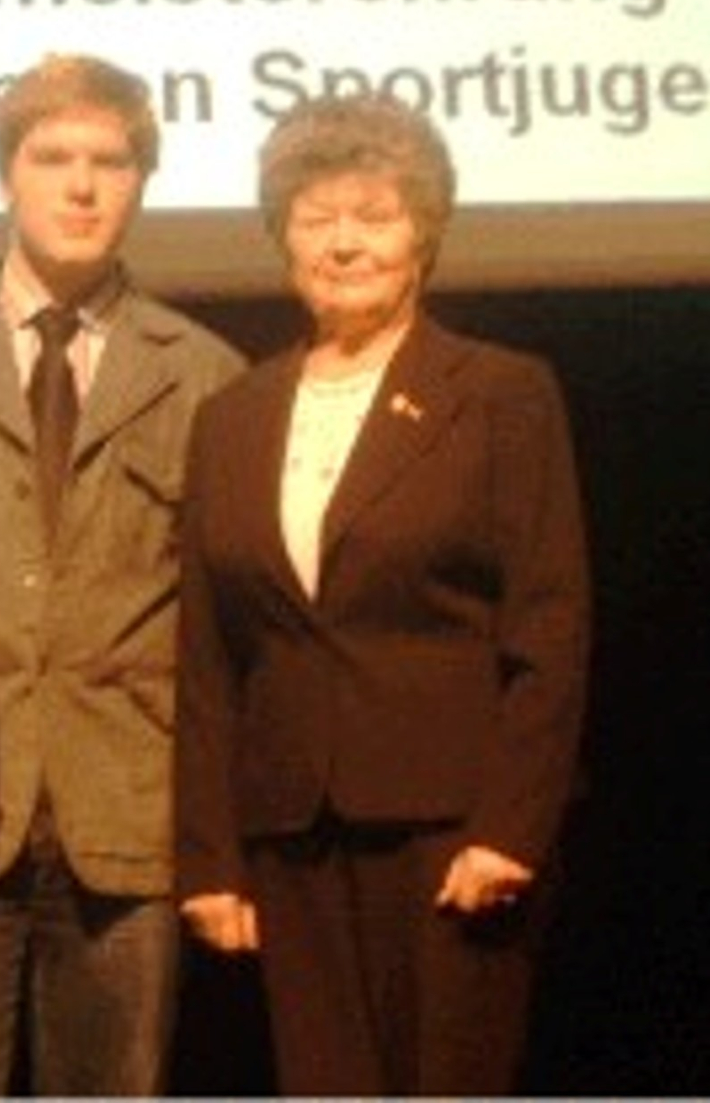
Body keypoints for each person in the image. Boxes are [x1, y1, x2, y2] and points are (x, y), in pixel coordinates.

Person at [0, 53, 245, 1095]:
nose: (81, 186)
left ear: (142, 181)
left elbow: (229, 633)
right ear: (4, 176)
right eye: (52, 157)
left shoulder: (204, 375)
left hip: (130, 815)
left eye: (109, 162)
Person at [174, 91, 591, 1095]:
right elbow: (208, 659)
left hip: (452, 834)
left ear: (422, 235)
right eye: (316, 218)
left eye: (374, 216)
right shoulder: (231, 416)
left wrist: (510, 829)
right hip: (290, 835)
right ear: (282, 238)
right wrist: (210, 858)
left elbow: (550, 628)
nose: (344, 243)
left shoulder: (498, 393)